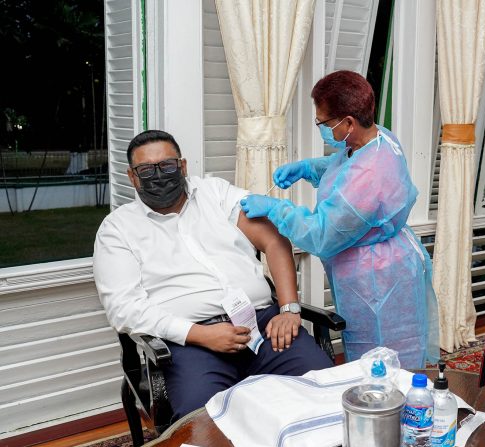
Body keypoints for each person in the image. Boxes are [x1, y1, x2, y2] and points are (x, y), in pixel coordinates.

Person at [93, 130, 332, 420]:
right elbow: (123, 309)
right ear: (132, 177)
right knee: (201, 422)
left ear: (182, 166)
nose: (159, 175)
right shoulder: (117, 229)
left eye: (167, 166)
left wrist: (289, 308)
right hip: (191, 342)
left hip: (264, 326)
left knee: (324, 389)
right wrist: (201, 335)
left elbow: (272, 240)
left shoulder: (215, 193)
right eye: (146, 170)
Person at [239, 70, 439, 368]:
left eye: (323, 123)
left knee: (381, 360)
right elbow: (345, 165)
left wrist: (274, 209)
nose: (321, 127)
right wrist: (308, 168)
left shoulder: (369, 177)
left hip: (378, 278)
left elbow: (321, 233)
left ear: (348, 122)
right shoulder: (378, 137)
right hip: (389, 259)